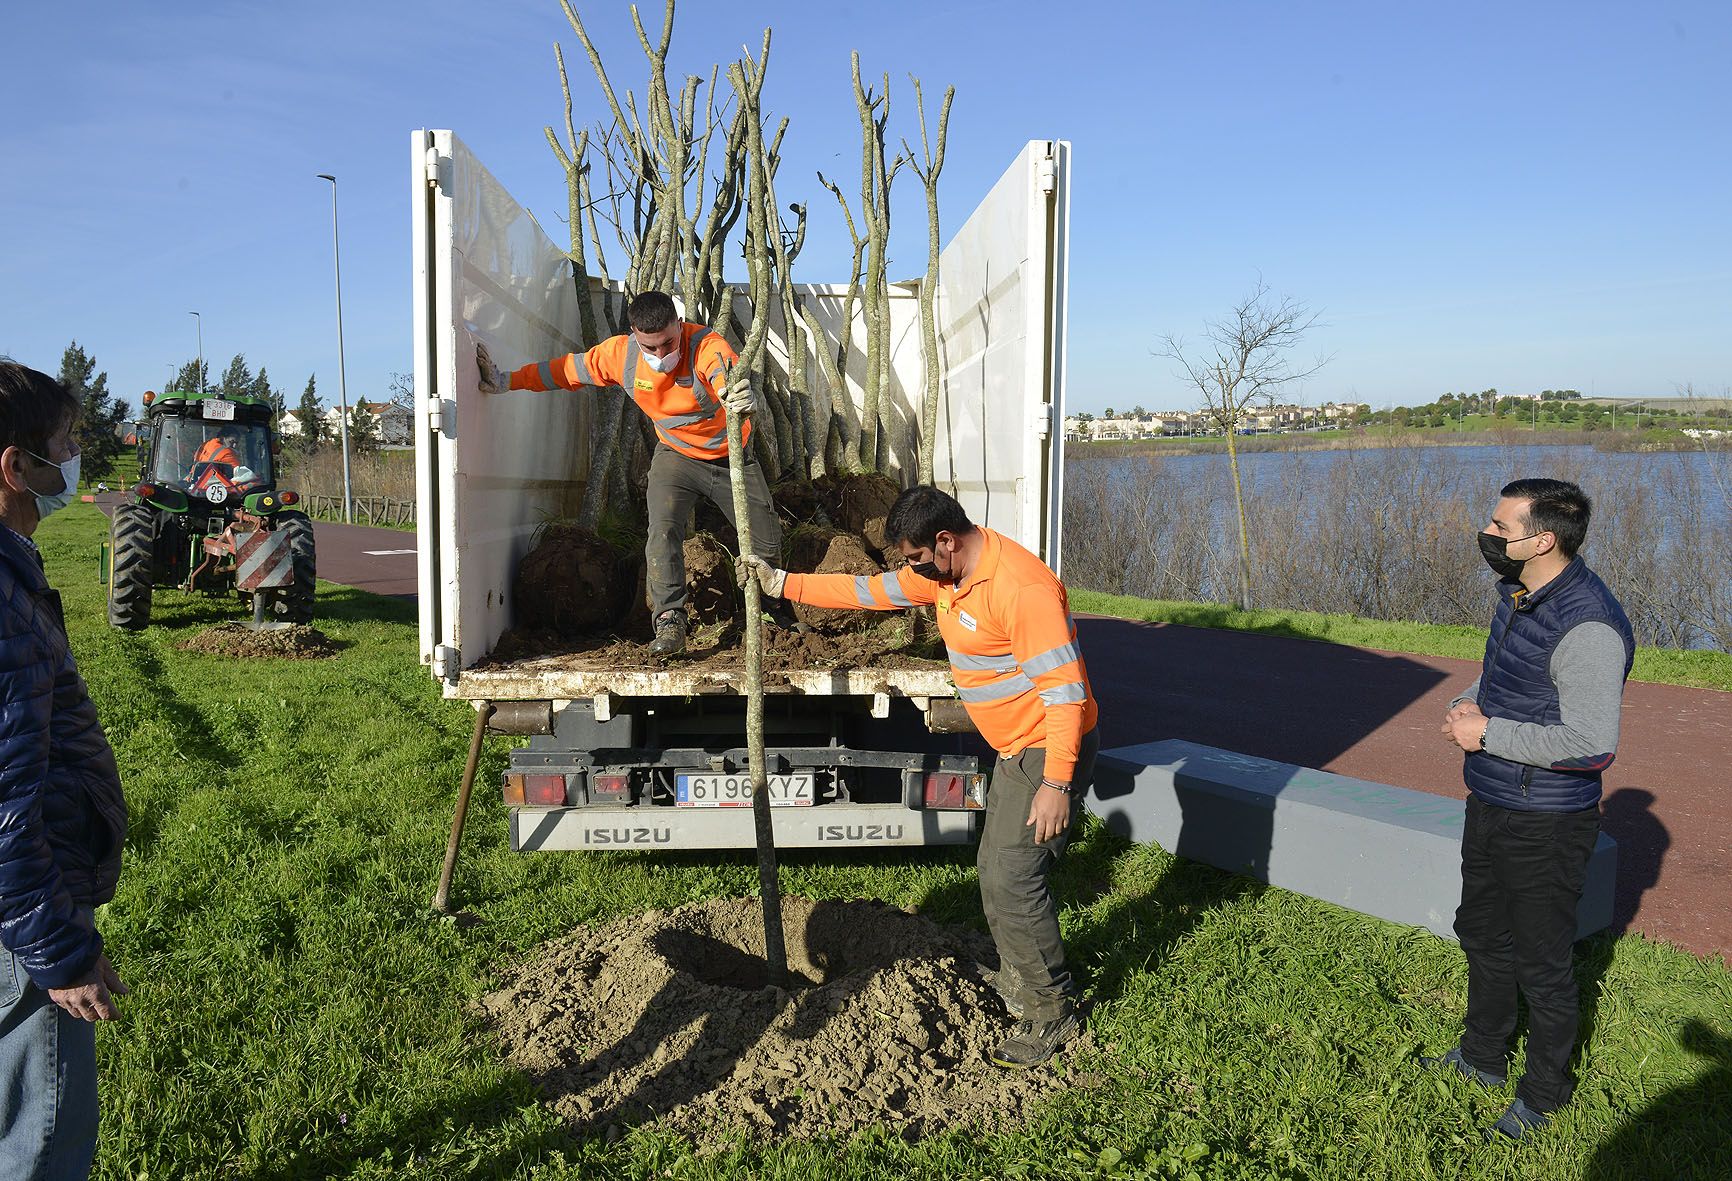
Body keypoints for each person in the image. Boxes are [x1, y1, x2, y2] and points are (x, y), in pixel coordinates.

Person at [742, 485, 1099, 1068]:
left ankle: (1051, 1010)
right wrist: (781, 583)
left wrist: (1057, 784)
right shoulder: (943, 574)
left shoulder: (1021, 589)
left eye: (914, 559)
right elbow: (867, 592)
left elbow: (1065, 696)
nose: (910, 573)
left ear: (945, 541)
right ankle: (1020, 976)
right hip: (1017, 748)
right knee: (994, 868)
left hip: (1049, 748)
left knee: (1014, 878)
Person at [1421, 477, 1633, 1144]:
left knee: (1542, 962)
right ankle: (1483, 1055)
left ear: (1540, 539)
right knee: (1481, 929)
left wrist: (1486, 733)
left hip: (1545, 820)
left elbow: (1591, 744)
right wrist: (1470, 700)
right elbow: (1508, 672)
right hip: (1492, 796)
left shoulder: (1589, 624)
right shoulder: (1520, 592)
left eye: (1497, 524)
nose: (1487, 534)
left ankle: (1544, 1094)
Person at [476, 291, 788, 655]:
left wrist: (736, 393)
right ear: (634, 335)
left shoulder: (706, 346)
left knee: (764, 538)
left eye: (668, 343)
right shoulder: (620, 356)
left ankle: (771, 608)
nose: (660, 355)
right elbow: (562, 371)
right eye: (649, 347)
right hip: (677, 456)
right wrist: (505, 380)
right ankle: (670, 621)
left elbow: (724, 373)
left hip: (730, 459)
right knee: (662, 528)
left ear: (679, 325)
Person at [0, 361, 130, 1178]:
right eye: (63, 445)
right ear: (16, 467)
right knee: (41, 1136)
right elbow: (2, 799)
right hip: (24, 929)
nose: (74, 458)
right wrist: (59, 951)